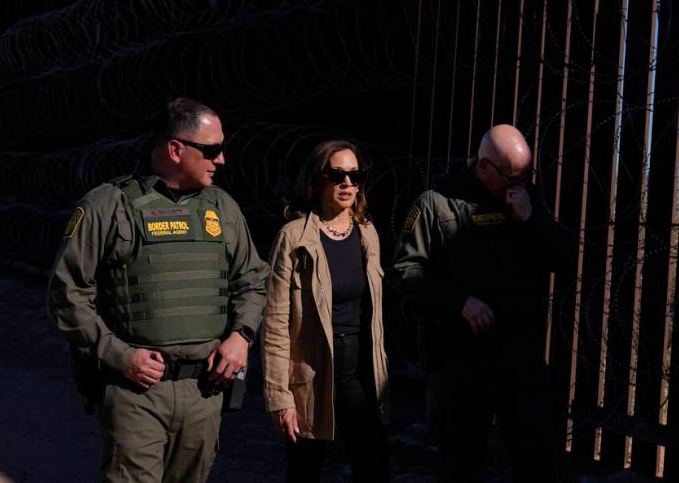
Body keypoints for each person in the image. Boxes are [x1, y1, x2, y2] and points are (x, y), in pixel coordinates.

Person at [47, 97, 269, 483]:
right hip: (136, 393)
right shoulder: (109, 205)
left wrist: (241, 336)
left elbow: (253, 280)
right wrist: (119, 355)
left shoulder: (223, 208)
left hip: (205, 392)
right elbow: (66, 293)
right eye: (212, 150)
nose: (221, 160)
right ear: (175, 149)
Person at [389, 124, 575, 482]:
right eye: (510, 175)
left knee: (535, 459)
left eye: (524, 175)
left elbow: (565, 259)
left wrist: (532, 219)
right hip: (461, 362)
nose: (516, 183)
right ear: (485, 165)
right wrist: (460, 302)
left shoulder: (525, 199)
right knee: (460, 461)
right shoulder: (437, 201)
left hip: (519, 358)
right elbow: (402, 271)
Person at [262, 140, 390, 482]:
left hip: (359, 370)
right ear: (318, 180)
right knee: (305, 468)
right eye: (338, 175)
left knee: (373, 464)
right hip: (312, 371)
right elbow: (275, 323)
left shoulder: (367, 234)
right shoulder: (293, 238)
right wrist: (280, 397)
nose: (348, 183)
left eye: (355, 175)